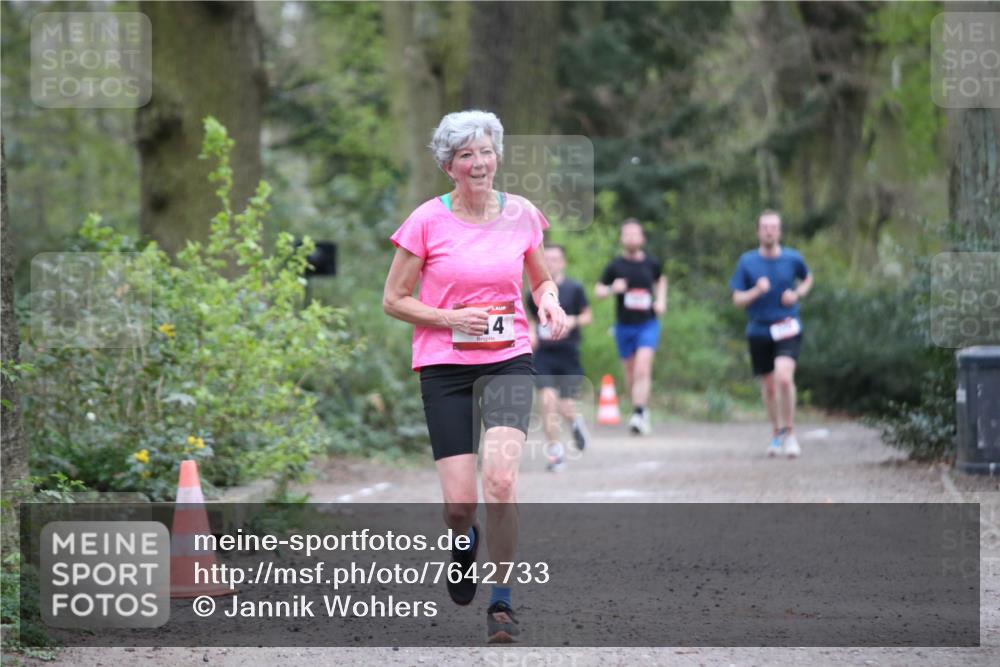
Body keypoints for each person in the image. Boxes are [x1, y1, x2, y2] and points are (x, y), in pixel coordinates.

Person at [383, 110, 567, 643]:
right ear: (449, 166)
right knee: (459, 504)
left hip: (508, 358)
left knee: (502, 480)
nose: (479, 162)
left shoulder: (522, 214)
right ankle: (463, 540)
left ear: (498, 156)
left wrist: (550, 303)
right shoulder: (425, 222)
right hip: (444, 367)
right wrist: (448, 319)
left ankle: (503, 602)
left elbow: (540, 279)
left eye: (486, 152)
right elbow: (393, 301)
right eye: (466, 155)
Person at [730, 209, 813, 458]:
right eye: (765, 226)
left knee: (784, 378)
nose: (769, 230)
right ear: (758, 231)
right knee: (768, 387)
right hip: (759, 329)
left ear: (780, 231)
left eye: (774, 226)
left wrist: (797, 294)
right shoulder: (747, 262)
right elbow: (737, 299)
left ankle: (790, 433)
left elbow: (808, 278)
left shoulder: (792, 258)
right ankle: (776, 433)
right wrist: (756, 291)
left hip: (787, 325)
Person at [595, 219, 667, 435]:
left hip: (648, 323)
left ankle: (637, 412)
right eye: (627, 234)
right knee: (630, 373)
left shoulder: (652, 264)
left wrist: (661, 300)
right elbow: (598, 291)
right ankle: (642, 410)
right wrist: (611, 289)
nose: (631, 238)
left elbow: (661, 279)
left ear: (642, 238)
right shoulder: (615, 266)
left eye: (635, 234)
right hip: (624, 326)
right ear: (622, 239)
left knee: (643, 367)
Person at [526, 244, 592, 472]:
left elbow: (587, 316)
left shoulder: (574, 288)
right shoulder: (533, 292)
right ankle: (556, 453)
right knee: (547, 402)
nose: (552, 262)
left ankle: (575, 422)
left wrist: (572, 320)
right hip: (544, 355)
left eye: (556, 259)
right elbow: (533, 320)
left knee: (566, 407)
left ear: (563, 262)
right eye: (548, 259)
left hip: (568, 354)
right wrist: (532, 333)